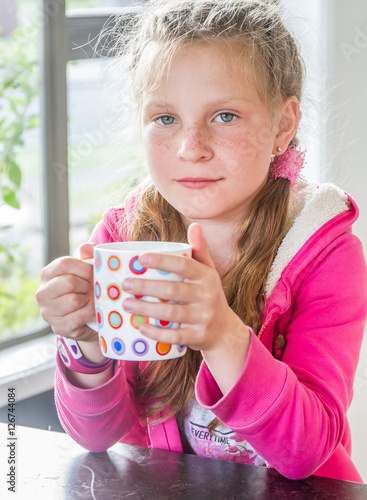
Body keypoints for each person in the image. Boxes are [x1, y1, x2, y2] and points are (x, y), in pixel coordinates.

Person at [35, 0, 367, 482]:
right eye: (166, 119)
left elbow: (305, 452)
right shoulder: (122, 239)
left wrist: (222, 334)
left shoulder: (327, 254)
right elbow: (96, 437)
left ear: (283, 124)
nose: (191, 147)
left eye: (225, 116)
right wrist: (87, 347)